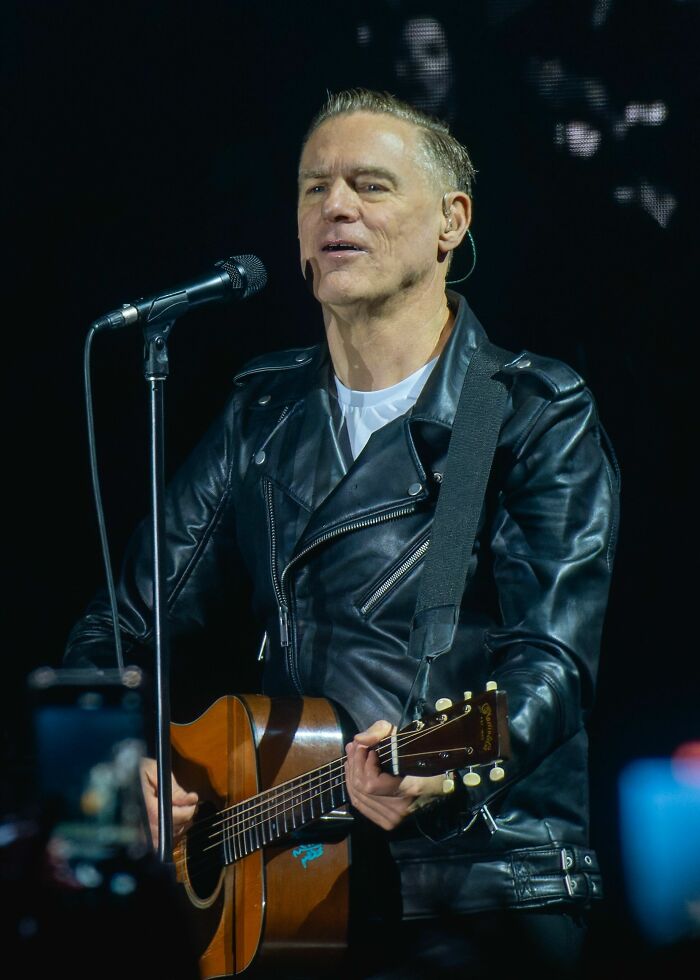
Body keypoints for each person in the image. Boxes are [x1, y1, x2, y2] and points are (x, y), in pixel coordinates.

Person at [65, 89, 619, 977]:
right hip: (284, 890)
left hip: (474, 884)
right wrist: (114, 764)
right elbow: (120, 628)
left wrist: (439, 765)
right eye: (313, 187)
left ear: (451, 222)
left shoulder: (516, 412)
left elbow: (553, 664)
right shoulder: (262, 416)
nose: (336, 206)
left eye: (370, 184)